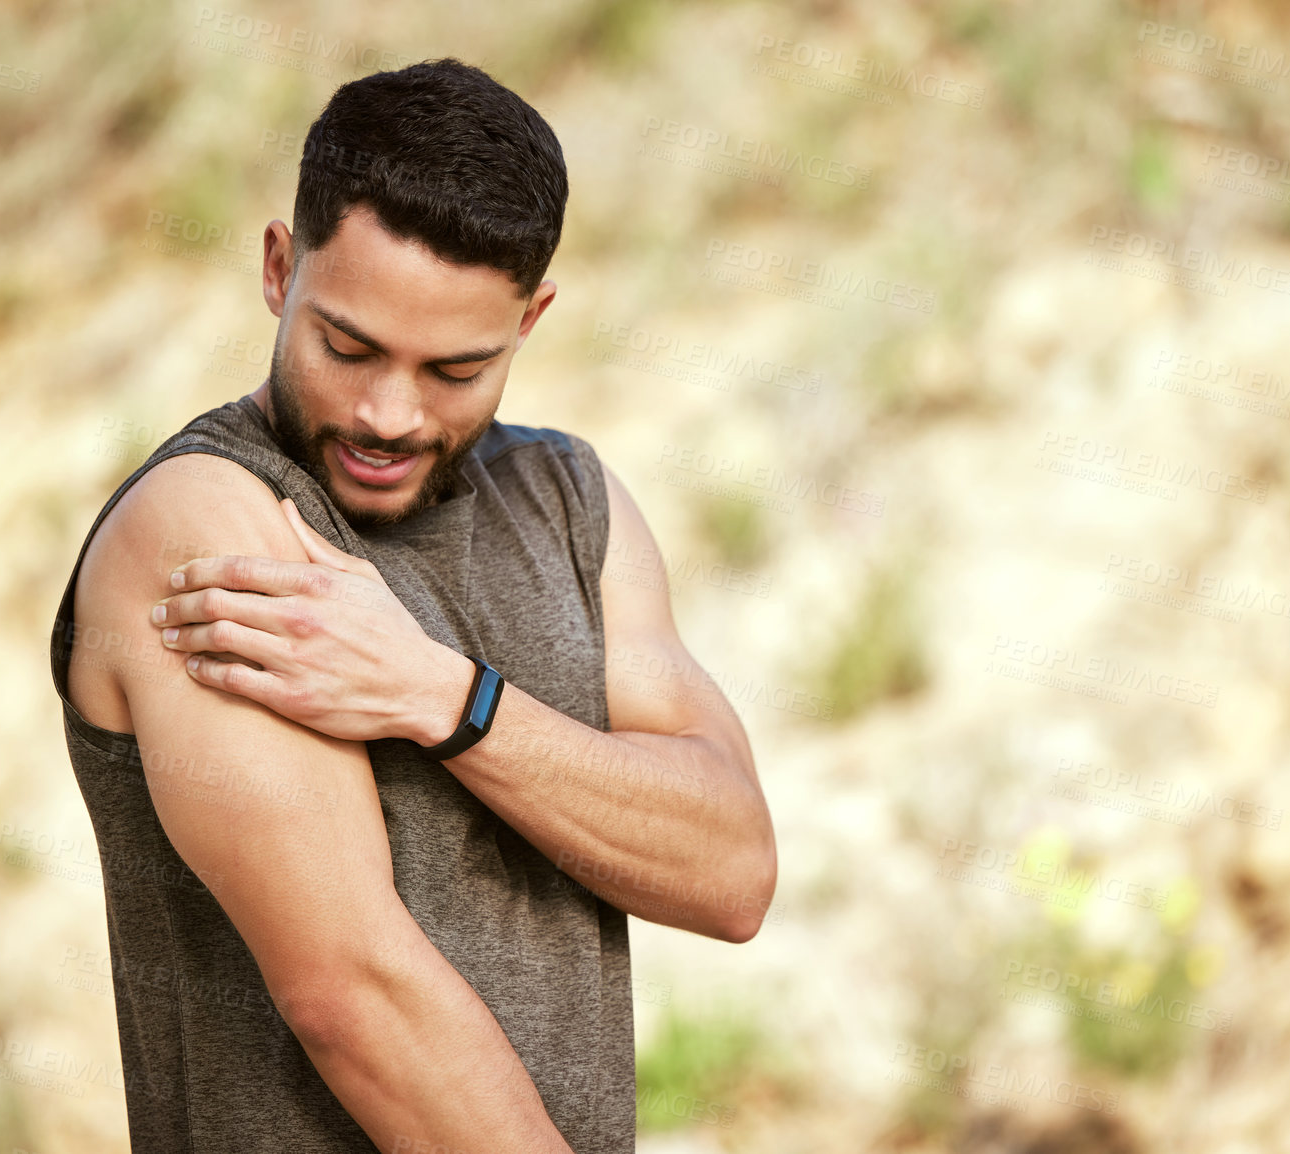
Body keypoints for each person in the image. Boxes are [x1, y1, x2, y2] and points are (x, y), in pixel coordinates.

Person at [49, 58, 778, 1153]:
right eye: (348, 346)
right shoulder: (212, 525)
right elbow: (352, 998)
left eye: (455, 368)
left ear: (531, 318)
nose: (389, 411)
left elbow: (731, 872)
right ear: (278, 268)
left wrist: (448, 698)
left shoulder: (573, 504)